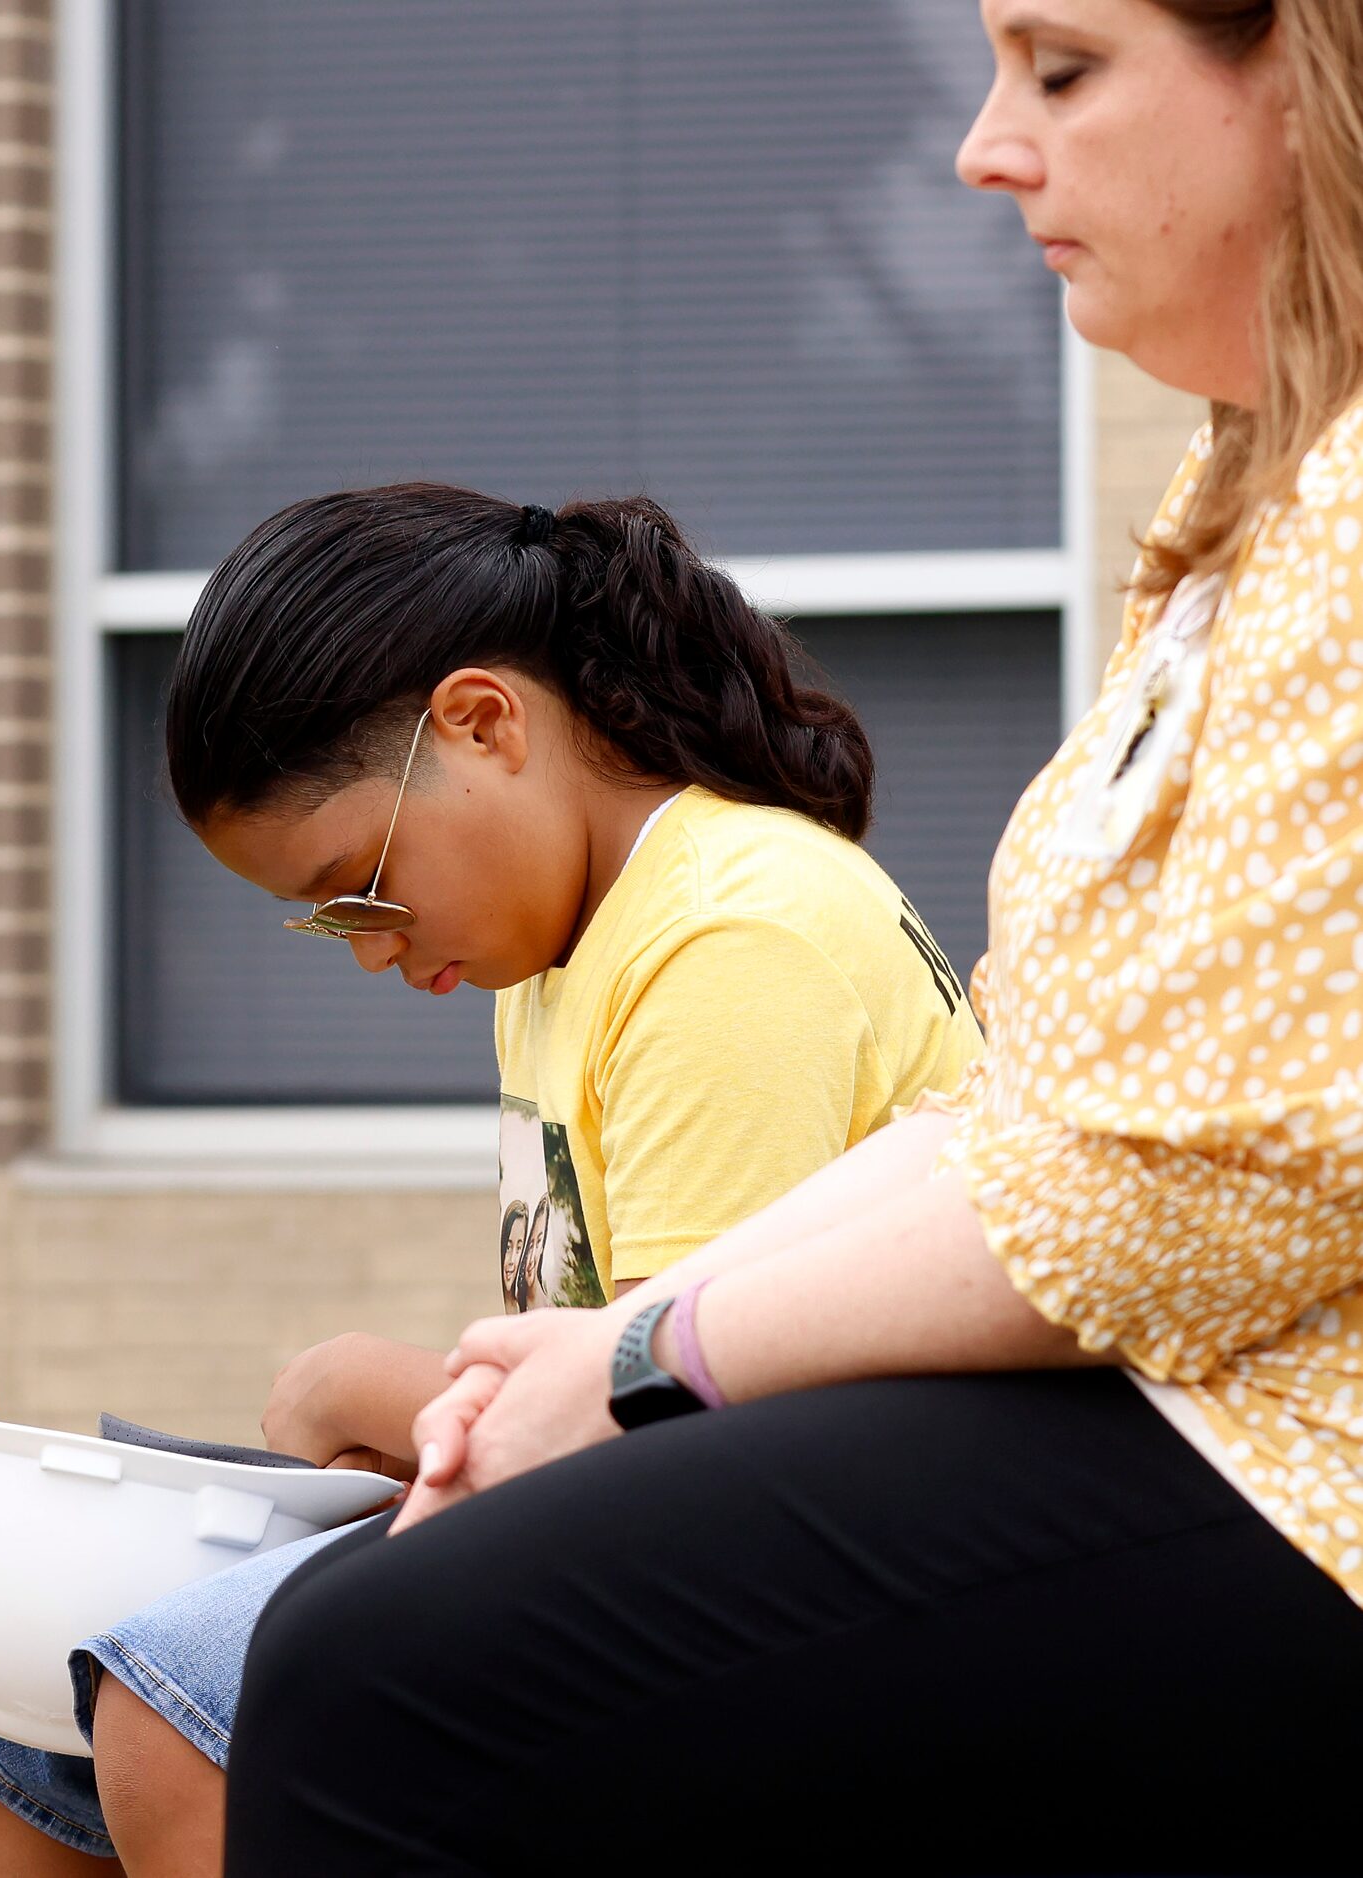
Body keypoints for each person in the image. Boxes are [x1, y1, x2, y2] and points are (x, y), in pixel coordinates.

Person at [225, 3, 1363, 1872]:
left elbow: (1162, 1204)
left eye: (1062, 70)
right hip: (1187, 1405)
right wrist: (608, 1346)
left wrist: (642, 1360)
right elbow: (1036, 1115)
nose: (988, 147)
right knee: (316, 1655)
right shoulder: (1241, 502)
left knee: (375, 1676)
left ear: (1309, 79)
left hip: (1300, 1459)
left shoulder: (729, 930)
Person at [0, 484, 982, 1875]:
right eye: (326, 917)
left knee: (180, 1709)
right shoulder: (565, 949)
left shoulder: (729, 943)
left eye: (363, 886)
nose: (366, 948)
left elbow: (682, 1448)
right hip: (672, 1547)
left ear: (484, 722)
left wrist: (372, 1388)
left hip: (829, 1596)